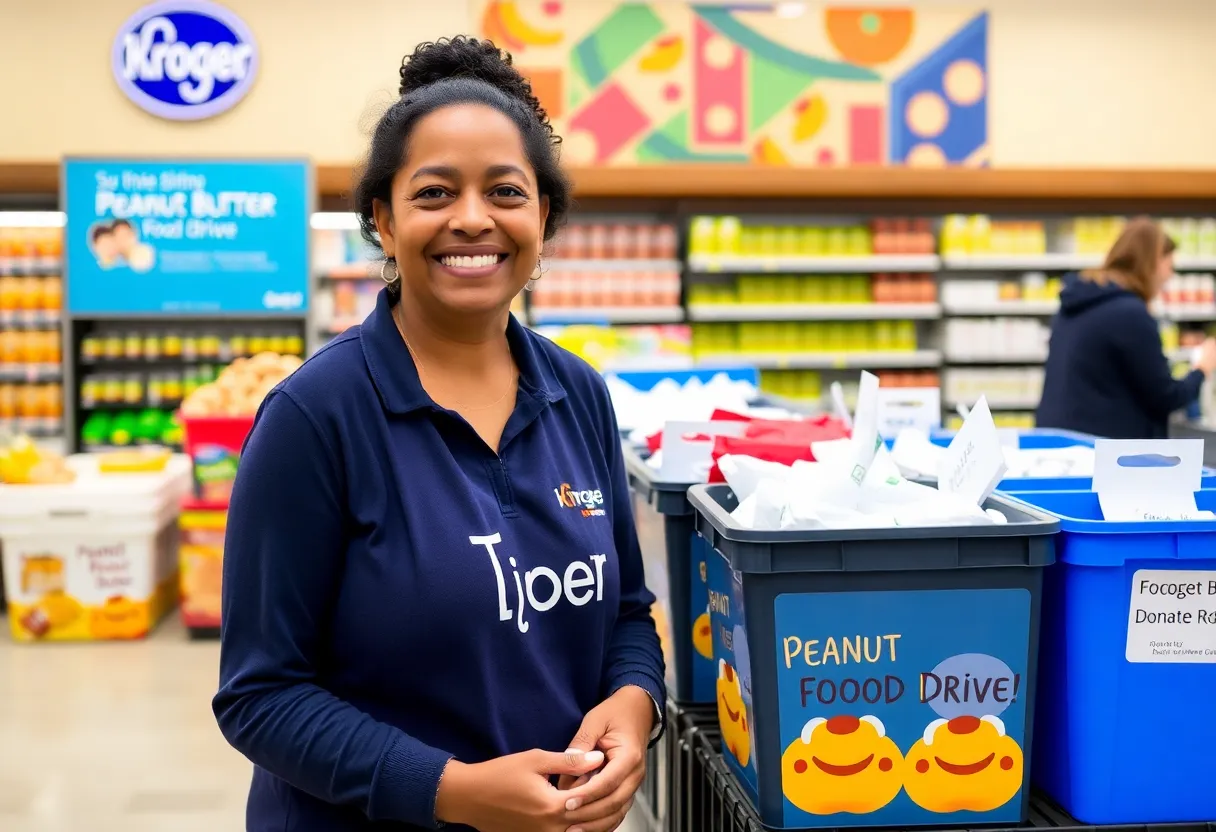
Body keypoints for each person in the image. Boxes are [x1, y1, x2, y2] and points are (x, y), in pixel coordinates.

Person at [212, 37, 666, 832]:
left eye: (504, 191)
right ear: (383, 221)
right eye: (433, 194)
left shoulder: (579, 395)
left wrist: (635, 709)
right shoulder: (315, 418)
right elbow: (261, 695)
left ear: (543, 217)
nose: (471, 219)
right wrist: (450, 791)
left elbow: (627, 611)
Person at [1037, 216, 1216, 438]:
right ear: (1153, 261)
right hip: (1106, 453)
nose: (1170, 275)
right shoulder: (1130, 313)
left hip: (1061, 440)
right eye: (1169, 265)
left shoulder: (1077, 301)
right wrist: (1202, 368)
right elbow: (1165, 397)